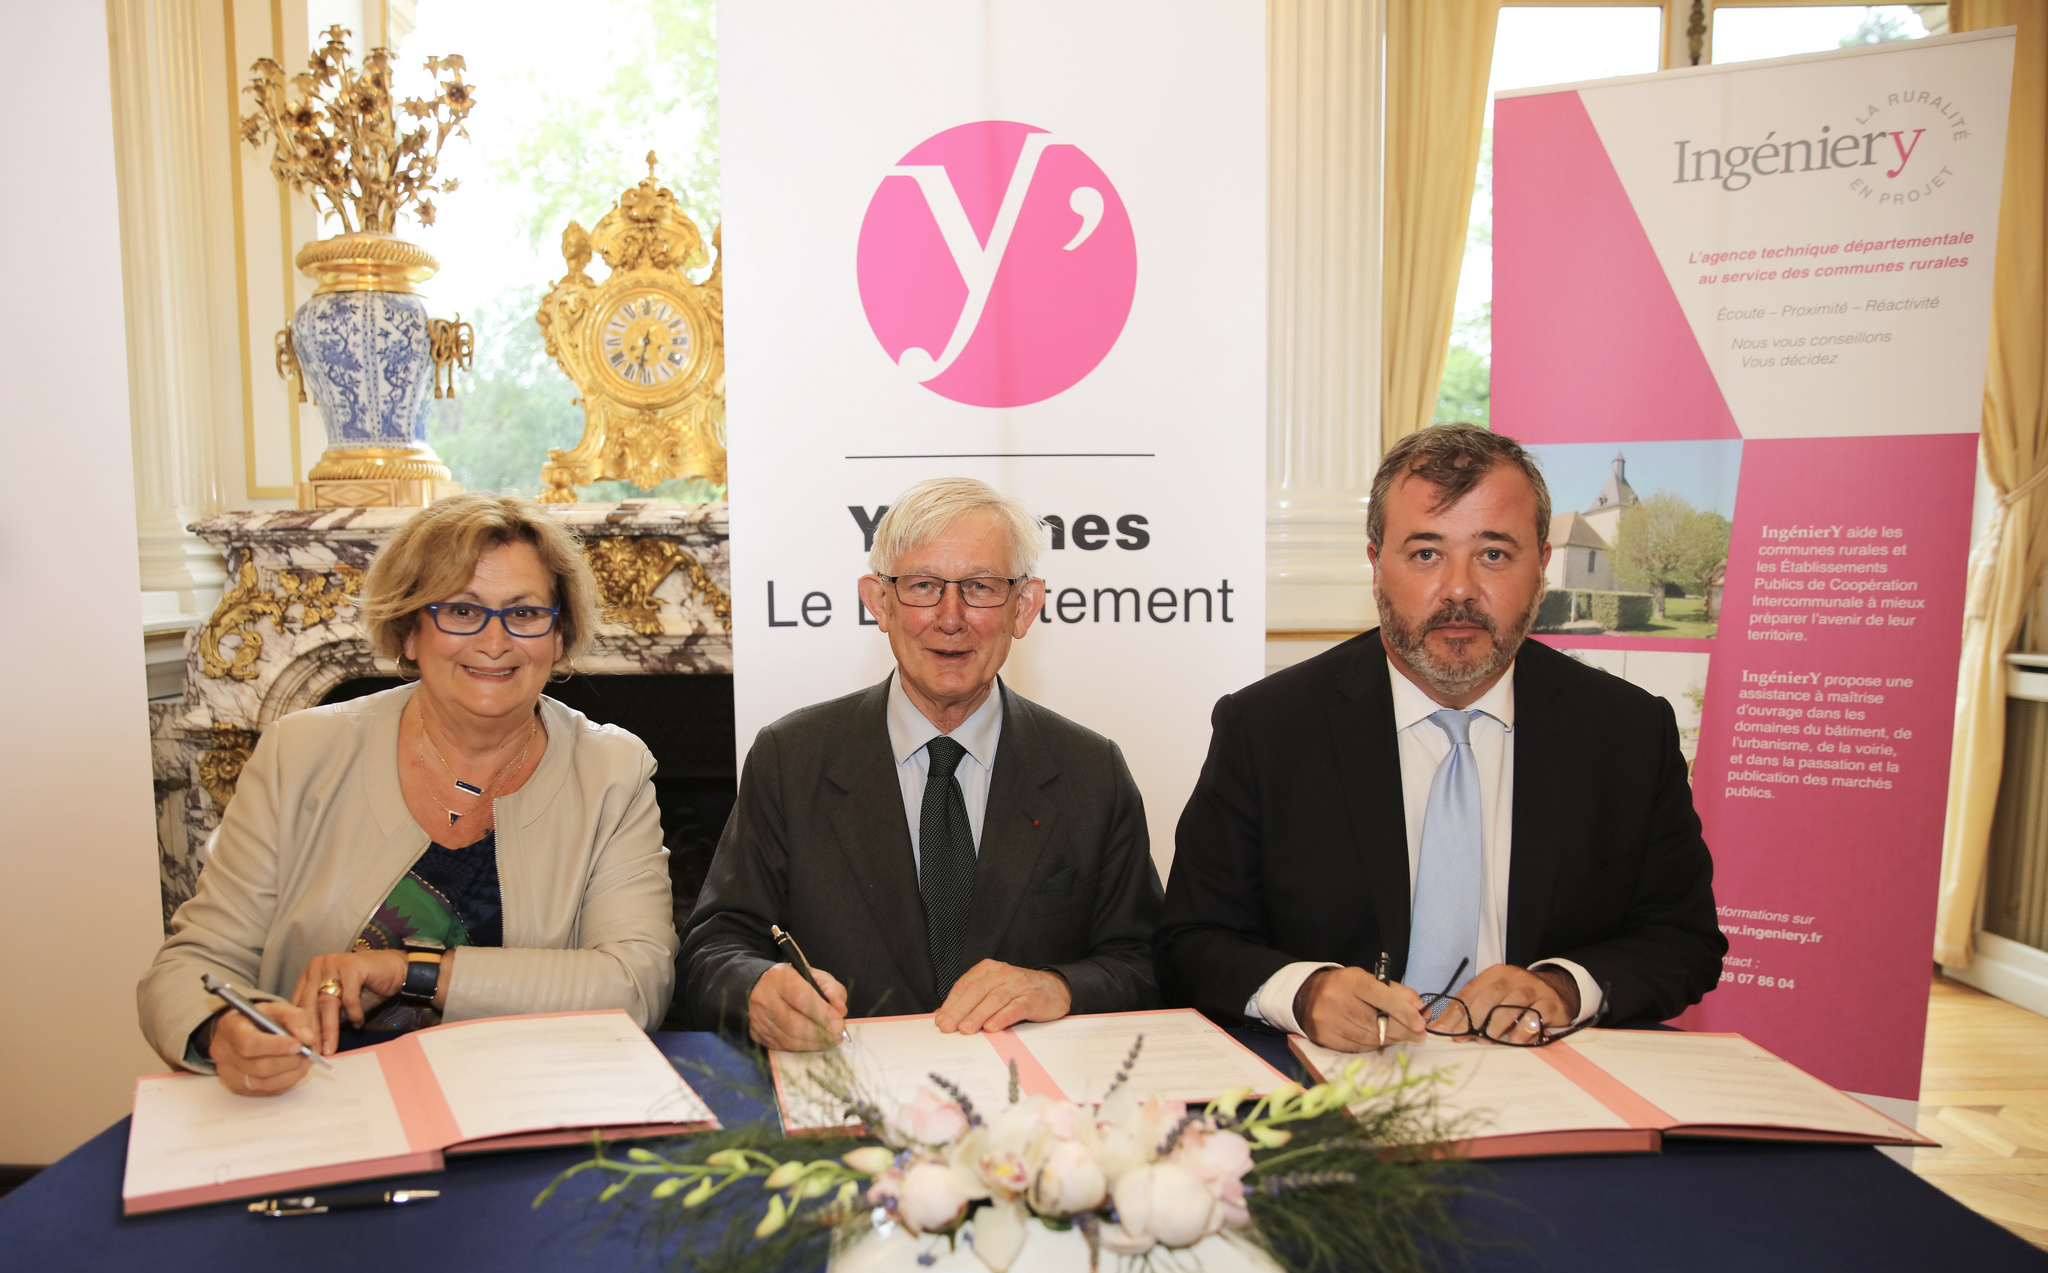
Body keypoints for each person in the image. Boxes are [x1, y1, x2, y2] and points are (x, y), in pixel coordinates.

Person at [1156, 424, 1724, 1050]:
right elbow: (1191, 941)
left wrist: (1563, 988)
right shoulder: (1267, 729)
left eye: (1494, 555)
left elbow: (1682, 941)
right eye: (1426, 553)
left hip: (1551, 1073)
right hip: (1338, 1082)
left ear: (1541, 568)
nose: (1459, 590)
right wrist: (1303, 992)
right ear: (1376, 565)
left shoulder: (1627, 732)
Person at [137, 494, 678, 1094]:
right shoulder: (302, 753)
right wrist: (223, 1029)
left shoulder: (611, 770)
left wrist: (409, 971)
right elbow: (192, 966)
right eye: (462, 611)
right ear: (410, 631)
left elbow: (636, 984)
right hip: (320, 1095)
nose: (494, 641)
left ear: (558, 637)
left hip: (525, 1097)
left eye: (524, 614)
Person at [681, 477, 1162, 1049]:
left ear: (1024, 607)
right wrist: (756, 988)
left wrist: (1059, 986)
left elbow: (1148, 963)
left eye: (981, 587)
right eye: (923, 586)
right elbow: (713, 949)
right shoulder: (791, 758)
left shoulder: (1092, 771)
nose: (950, 617)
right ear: (878, 602)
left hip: (1028, 1096)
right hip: (848, 1088)